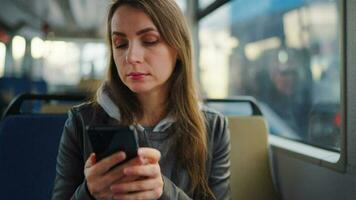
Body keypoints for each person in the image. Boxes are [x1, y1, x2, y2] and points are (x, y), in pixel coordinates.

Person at [52, 0, 231, 199]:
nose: (131, 57)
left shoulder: (213, 127)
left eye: (149, 40)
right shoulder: (80, 121)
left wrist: (164, 192)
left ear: (178, 48)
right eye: (120, 44)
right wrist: (88, 193)